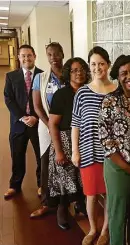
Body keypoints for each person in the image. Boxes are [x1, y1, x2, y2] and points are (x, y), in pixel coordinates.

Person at [72, 46, 118, 245]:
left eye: (101, 63)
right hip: (88, 151)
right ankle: (92, 229)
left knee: (110, 194)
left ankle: (105, 231)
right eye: (93, 64)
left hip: (113, 154)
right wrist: (75, 151)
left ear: (108, 65)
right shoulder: (82, 93)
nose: (97, 68)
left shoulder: (117, 91)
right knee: (91, 195)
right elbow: (75, 124)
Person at [99, 55, 130, 245]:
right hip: (117, 166)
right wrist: (126, 167)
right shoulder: (110, 101)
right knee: (117, 214)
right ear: (118, 77)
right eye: (124, 73)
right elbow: (105, 139)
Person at [48, 57, 89, 230]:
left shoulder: (89, 92)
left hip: (85, 140)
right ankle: (62, 209)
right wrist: (59, 151)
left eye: (81, 69)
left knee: (82, 177)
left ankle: (80, 204)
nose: (79, 73)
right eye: (74, 70)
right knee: (65, 178)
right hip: (64, 141)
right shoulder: (61, 94)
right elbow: (53, 124)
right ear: (67, 73)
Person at [3, 45, 43, 199]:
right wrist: (22, 117)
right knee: (17, 155)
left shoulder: (43, 75)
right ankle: (14, 185)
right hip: (18, 124)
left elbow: (47, 101)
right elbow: (8, 99)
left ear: (34, 56)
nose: (26, 58)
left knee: (41, 156)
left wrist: (36, 117)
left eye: (29, 55)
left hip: (38, 123)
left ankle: (41, 184)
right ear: (19, 58)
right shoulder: (11, 76)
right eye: (23, 56)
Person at [31, 42, 64, 218]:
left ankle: (71, 202)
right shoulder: (40, 78)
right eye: (50, 55)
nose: (53, 58)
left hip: (68, 128)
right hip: (47, 128)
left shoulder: (70, 75)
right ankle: (47, 203)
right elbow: (37, 106)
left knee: (69, 165)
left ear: (62, 54)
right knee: (46, 165)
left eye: (56, 54)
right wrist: (50, 126)